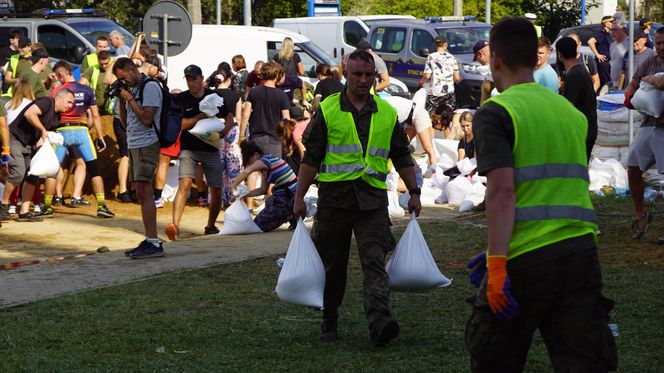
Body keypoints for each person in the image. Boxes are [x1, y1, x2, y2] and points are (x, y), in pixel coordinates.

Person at [465, 17, 617, 372]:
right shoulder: (569, 113)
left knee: (495, 358)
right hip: (580, 253)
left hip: (525, 263)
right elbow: (550, 189)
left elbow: (503, 191)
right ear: (536, 57)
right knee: (585, 362)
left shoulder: (496, 113)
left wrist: (497, 261)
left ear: (495, 59)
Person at [293, 50, 421, 346]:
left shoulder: (387, 113)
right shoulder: (327, 110)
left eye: (369, 75)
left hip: (372, 202)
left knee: (375, 261)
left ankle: (379, 320)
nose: (363, 80)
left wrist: (414, 192)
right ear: (345, 74)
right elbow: (311, 158)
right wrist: (299, 197)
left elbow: (402, 154)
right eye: (357, 74)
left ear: (375, 77)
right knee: (331, 265)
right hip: (334, 201)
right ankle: (329, 319)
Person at [164, 64, 235, 240]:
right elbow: (179, 125)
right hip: (189, 148)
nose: (191, 83)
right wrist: (199, 118)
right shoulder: (181, 98)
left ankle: (210, 226)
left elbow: (229, 118)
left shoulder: (214, 96)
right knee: (185, 184)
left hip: (211, 149)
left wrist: (222, 132)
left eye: (194, 78)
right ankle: (175, 226)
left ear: (202, 79)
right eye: (188, 79)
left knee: (216, 189)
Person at [37, 61, 113, 218]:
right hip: (82, 131)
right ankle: (101, 206)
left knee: (52, 170)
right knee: (93, 169)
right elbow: (96, 115)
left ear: (60, 73)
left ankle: (47, 206)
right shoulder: (87, 90)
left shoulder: (58, 91)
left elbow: (51, 112)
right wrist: (100, 137)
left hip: (62, 132)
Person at [113, 57, 164, 259]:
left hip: (147, 142)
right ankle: (149, 238)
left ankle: (153, 241)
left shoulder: (150, 86)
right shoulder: (132, 90)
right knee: (141, 192)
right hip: (134, 143)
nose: (123, 81)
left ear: (132, 69)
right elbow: (126, 123)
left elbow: (146, 118)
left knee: (145, 190)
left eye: (123, 76)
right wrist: (123, 100)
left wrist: (131, 100)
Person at [0, 89, 75, 222]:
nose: (70, 106)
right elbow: (30, 114)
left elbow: (43, 137)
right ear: (59, 98)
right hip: (15, 139)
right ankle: (3, 205)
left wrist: (44, 153)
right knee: (18, 172)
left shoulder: (57, 117)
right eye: (69, 102)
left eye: (72, 104)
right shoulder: (47, 102)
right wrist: (42, 129)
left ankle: (24, 211)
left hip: (31, 144)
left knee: (33, 175)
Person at [624, 27, 664, 243]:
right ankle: (640, 215)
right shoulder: (649, 62)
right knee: (633, 168)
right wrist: (629, 94)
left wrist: (651, 81)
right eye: (658, 43)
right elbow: (633, 82)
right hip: (649, 124)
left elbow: (660, 82)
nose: (661, 47)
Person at [231, 141, 297, 232]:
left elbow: (246, 171)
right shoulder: (266, 167)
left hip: (288, 197)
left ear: (256, 154)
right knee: (268, 205)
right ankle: (289, 214)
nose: (251, 165)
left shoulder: (264, 160)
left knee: (257, 226)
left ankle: (290, 214)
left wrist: (233, 186)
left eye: (249, 160)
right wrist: (244, 195)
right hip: (286, 196)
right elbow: (262, 190)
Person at [557, 37, 597, 161]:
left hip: (581, 132)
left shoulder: (573, 75)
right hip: (588, 129)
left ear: (559, 54)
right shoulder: (581, 70)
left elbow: (568, 107)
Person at [239, 61, 290, 156]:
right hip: (275, 140)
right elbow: (286, 120)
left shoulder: (254, 92)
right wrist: (288, 142)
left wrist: (241, 136)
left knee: (255, 169)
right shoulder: (282, 96)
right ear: (276, 76)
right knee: (274, 169)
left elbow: (246, 115)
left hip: (256, 139)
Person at [214, 63, 244, 207]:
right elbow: (238, 117)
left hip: (215, 129)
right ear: (229, 79)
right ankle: (233, 197)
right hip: (232, 130)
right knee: (232, 165)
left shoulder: (210, 94)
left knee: (217, 165)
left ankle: (216, 199)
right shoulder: (236, 95)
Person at [382, 93, 438, 166]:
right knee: (401, 148)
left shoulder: (377, 106)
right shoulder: (376, 104)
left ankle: (435, 172)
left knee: (428, 149)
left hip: (417, 114)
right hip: (409, 117)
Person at [417, 35, 460, 113]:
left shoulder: (431, 57)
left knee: (431, 117)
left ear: (435, 45)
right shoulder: (452, 58)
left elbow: (427, 76)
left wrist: (420, 83)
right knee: (447, 117)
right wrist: (449, 82)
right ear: (446, 45)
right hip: (449, 93)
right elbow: (457, 77)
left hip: (435, 92)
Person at [588, 15, 614, 89]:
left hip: (609, 62)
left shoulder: (608, 33)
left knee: (609, 84)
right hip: (603, 63)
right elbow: (590, 42)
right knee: (606, 85)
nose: (613, 23)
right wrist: (597, 54)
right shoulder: (601, 33)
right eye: (611, 22)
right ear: (605, 23)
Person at [2, 35, 32, 100]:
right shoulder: (13, 58)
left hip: (31, 94)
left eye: (23, 47)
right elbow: (7, 79)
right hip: (15, 94)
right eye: (19, 46)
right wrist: (16, 81)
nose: (20, 49)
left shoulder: (35, 58)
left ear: (29, 47)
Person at [609, 23, 629, 90]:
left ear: (623, 30)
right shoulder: (612, 45)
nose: (612, 32)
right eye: (611, 30)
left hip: (625, 83)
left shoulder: (629, 44)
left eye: (615, 30)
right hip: (614, 83)